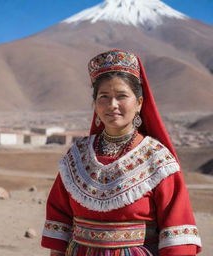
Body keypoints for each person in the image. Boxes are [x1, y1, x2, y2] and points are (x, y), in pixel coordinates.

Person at [41, 49, 202, 256]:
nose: (112, 105)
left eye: (122, 96)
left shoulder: (157, 159)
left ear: (139, 103)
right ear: (95, 104)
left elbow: (177, 233)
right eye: (104, 97)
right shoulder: (77, 156)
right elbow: (60, 216)